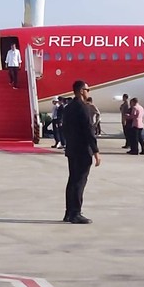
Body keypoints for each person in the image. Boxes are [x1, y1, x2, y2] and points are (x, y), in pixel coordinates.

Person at [63, 80, 101, 224]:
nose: (88, 92)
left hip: (72, 149)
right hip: (82, 150)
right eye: (87, 89)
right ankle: (76, 213)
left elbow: (64, 128)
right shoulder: (83, 108)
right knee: (79, 182)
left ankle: (68, 212)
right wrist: (96, 151)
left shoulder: (68, 107)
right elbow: (89, 131)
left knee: (72, 181)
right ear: (81, 91)